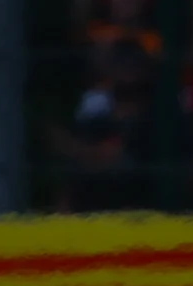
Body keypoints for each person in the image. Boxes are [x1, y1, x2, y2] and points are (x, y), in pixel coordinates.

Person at [54, 36, 174, 212]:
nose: (128, 71)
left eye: (134, 64)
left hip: (143, 216)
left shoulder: (158, 119)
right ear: (109, 70)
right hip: (93, 218)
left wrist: (71, 146)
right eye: (121, 63)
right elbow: (73, 176)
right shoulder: (96, 118)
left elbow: (115, 156)